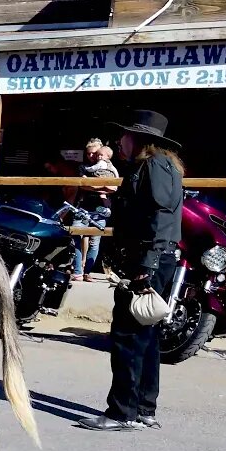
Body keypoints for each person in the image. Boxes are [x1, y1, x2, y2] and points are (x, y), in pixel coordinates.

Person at [79, 110, 185, 432]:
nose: (119, 142)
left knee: (127, 336)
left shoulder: (153, 167)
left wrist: (145, 265)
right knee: (146, 334)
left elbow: (161, 217)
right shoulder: (154, 166)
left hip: (148, 260)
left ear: (138, 139)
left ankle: (121, 412)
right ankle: (142, 409)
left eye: (124, 136)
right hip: (149, 259)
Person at [72, 138, 120, 281]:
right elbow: (82, 185)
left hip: (101, 208)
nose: (93, 156)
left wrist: (92, 185)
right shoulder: (83, 167)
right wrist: (102, 187)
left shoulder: (108, 167)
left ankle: (87, 272)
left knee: (95, 241)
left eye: (96, 153)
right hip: (83, 206)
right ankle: (78, 270)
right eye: (89, 154)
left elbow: (114, 187)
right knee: (75, 234)